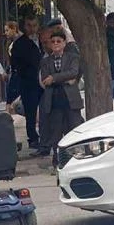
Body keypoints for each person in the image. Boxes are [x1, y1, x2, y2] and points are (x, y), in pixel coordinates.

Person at [39, 29, 83, 170]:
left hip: (70, 101)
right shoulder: (45, 61)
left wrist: (55, 78)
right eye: (53, 42)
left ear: (64, 43)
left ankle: (76, 160)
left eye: (59, 41)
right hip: (54, 102)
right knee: (56, 135)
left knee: (74, 131)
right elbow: (45, 79)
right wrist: (63, 79)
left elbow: (73, 72)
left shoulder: (72, 57)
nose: (56, 44)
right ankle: (58, 162)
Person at [10, 16, 42, 148]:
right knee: (30, 111)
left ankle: (46, 136)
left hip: (45, 80)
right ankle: (32, 137)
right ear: (24, 26)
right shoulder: (19, 43)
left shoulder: (43, 39)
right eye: (29, 25)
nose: (32, 28)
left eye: (34, 25)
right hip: (29, 82)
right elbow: (15, 64)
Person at [4, 20, 21, 102]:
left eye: (7, 30)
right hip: (13, 72)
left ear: (14, 29)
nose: (6, 33)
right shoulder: (9, 42)